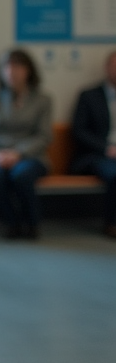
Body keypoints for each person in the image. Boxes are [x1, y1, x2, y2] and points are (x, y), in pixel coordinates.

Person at [0, 48, 52, 240]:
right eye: (7, 67)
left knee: (22, 175)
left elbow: (44, 136)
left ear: (28, 70)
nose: (11, 72)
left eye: (17, 67)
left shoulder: (42, 100)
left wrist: (18, 153)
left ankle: (33, 223)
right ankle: (11, 223)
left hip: (30, 156)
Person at [70, 50, 116, 239]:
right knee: (114, 174)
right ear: (107, 68)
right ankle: (112, 223)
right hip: (97, 155)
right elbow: (79, 131)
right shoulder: (89, 96)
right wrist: (107, 148)